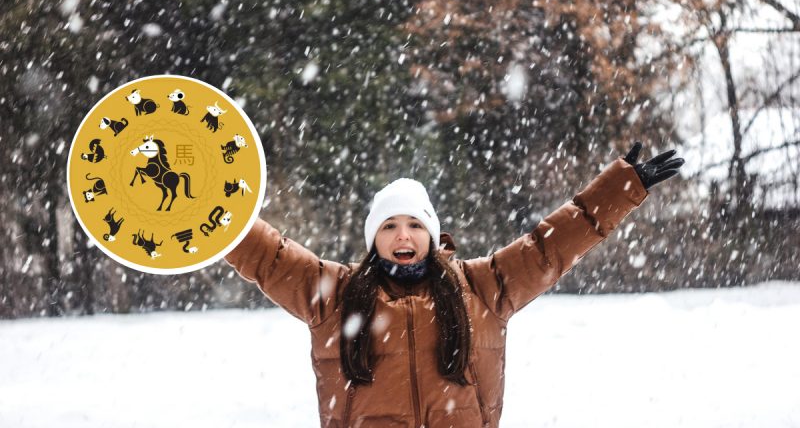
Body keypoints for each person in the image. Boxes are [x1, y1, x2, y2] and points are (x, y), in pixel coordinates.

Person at [225, 141, 684, 428]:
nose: (402, 235)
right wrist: (207, 211)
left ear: (431, 233)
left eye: (413, 225)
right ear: (373, 240)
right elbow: (266, 253)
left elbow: (549, 248)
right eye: (388, 227)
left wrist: (619, 189)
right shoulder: (334, 294)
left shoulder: (482, 287)